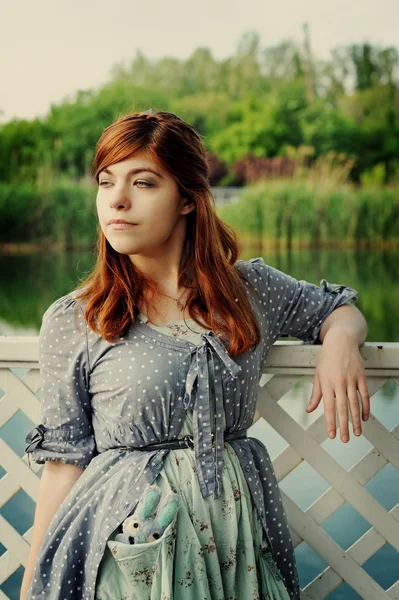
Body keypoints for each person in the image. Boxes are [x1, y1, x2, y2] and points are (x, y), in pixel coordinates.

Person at [20, 110, 369, 600]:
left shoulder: (248, 290)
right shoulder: (77, 319)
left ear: (187, 198)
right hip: (130, 549)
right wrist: (36, 584)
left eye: (143, 183)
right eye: (105, 182)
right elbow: (64, 464)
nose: (116, 200)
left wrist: (339, 342)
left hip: (236, 540)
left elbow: (338, 309)